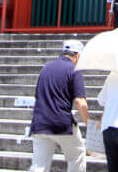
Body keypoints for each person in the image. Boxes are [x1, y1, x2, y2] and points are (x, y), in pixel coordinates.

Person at [27, 39, 89, 172]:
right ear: (77, 55)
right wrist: (89, 123)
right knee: (76, 156)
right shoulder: (74, 69)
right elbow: (80, 101)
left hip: (40, 123)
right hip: (61, 123)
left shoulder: (46, 67)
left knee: (39, 165)